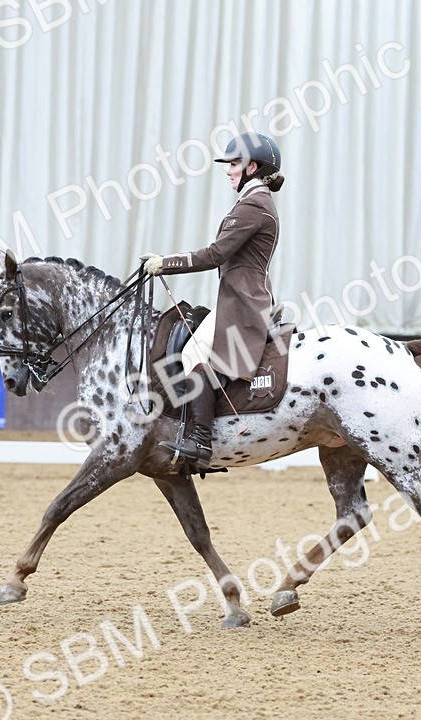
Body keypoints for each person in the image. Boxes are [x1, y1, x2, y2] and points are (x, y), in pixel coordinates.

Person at [142, 131, 285, 470]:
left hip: (245, 305)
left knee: (193, 353)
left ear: (252, 167)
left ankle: (200, 441)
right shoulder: (254, 201)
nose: (228, 170)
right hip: (239, 300)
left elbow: (215, 254)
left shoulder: (254, 204)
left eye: (233, 164)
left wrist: (165, 262)